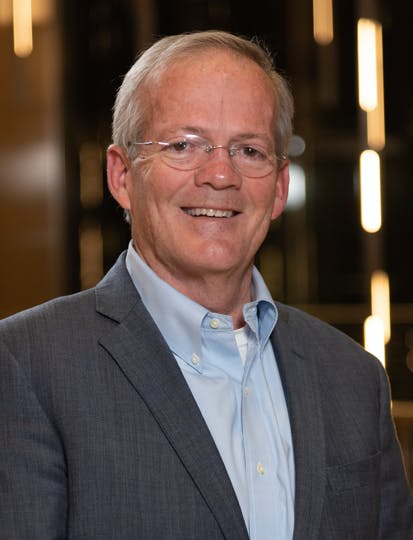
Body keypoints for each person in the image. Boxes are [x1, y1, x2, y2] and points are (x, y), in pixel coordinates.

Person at [0, 30, 411, 540]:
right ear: (122, 175)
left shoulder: (354, 378)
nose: (220, 175)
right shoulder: (26, 365)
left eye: (249, 150)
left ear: (279, 187)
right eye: (184, 145)